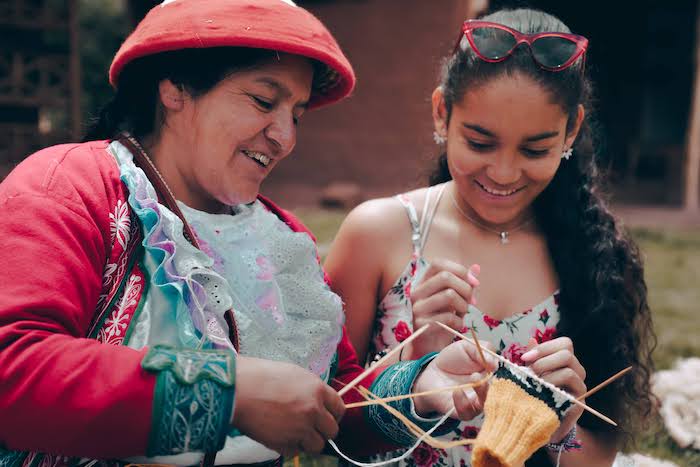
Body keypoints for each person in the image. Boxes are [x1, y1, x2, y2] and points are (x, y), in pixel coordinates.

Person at [0, 1, 498, 466]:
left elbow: (334, 404)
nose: (286, 136)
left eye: (297, 114)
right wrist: (227, 392)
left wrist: (420, 386)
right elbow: (13, 369)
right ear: (174, 87)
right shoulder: (69, 188)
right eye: (264, 100)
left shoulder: (282, 239)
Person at [325, 8, 656, 467]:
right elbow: (326, 429)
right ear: (442, 114)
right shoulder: (378, 236)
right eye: (480, 143)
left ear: (571, 131)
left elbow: (597, 456)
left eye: (534, 149)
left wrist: (560, 428)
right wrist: (417, 365)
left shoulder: (592, 253)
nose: (503, 173)